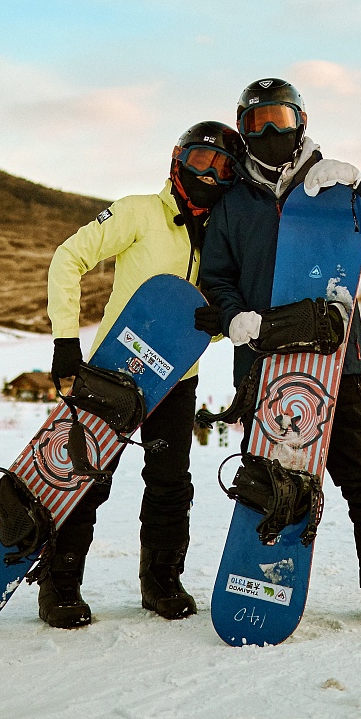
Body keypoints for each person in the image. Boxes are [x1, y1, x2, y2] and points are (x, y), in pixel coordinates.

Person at [197, 77, 361, 624]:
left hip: (339, 364)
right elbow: (217, 276)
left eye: (281, 119)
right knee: (272, 486)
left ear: (301, 122)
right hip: (265, 367)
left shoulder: (334, 189)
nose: (272, 132)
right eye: (258, 123)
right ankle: (258, 584)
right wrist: (233, 316)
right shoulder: (233, 205)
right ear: (242, 130)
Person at [41, 121, 244, 629]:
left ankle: (161, 582)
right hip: (115, 372)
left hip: (177, 379)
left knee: (171, 483)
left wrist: (217, 325)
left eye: (222, 168)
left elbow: (217, 311)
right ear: (178, 159)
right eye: (201, 159)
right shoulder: (137, 212)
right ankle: (59, 587)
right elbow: (68, 258)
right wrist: (66, 340)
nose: (209, 174)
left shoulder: (221, 233)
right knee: (86, 480)